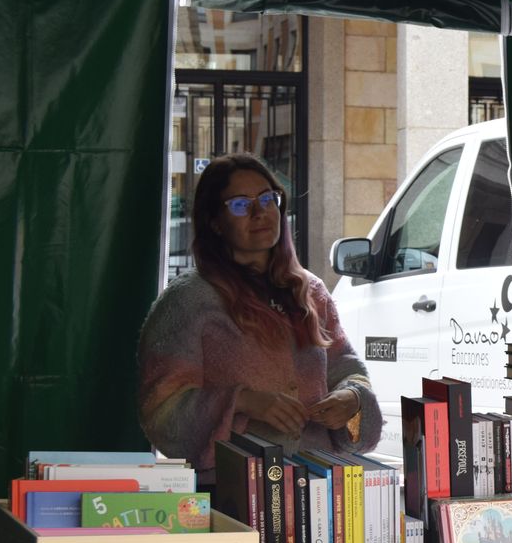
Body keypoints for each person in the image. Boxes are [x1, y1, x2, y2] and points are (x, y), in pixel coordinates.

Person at [139, 154, 382, 481]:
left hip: (321, 489)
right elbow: (161, 412)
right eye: (240, 204)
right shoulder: (189, 300)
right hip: (234, 491)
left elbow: (348, 368)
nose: (260, 212)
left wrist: (352, 398)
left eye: (268, 199)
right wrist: (242, 402)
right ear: (215, 221)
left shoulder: (311, 292)